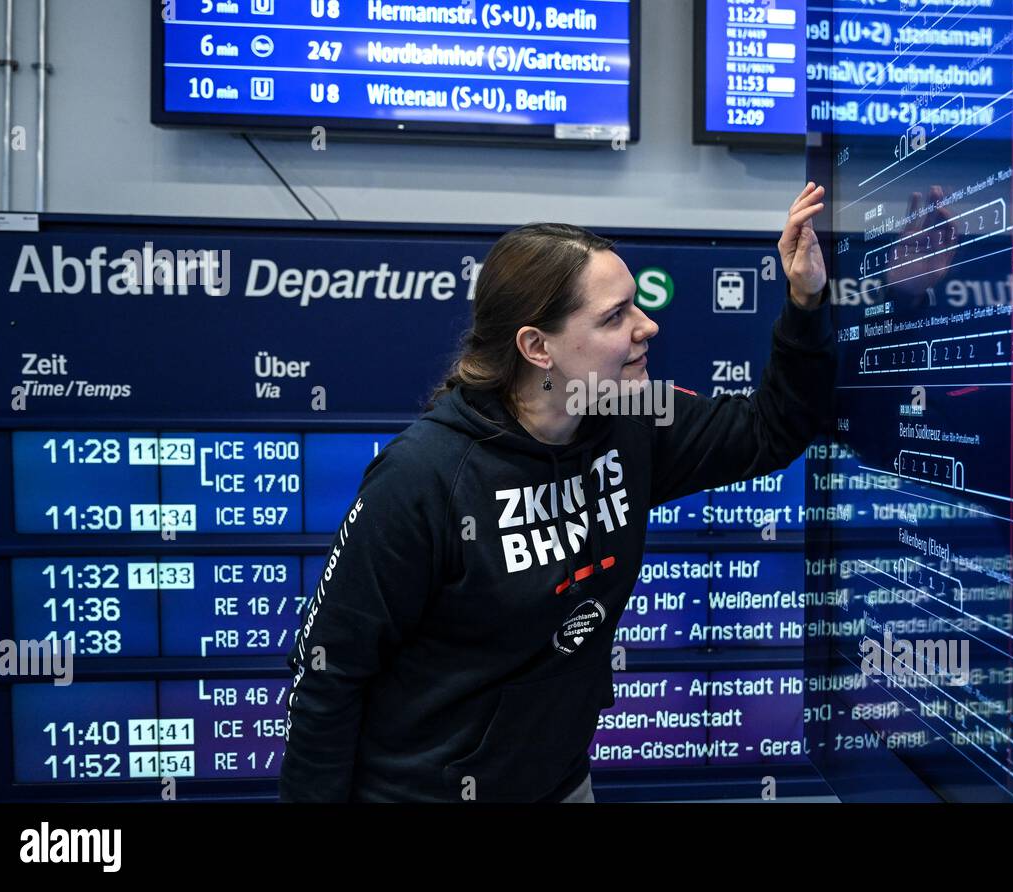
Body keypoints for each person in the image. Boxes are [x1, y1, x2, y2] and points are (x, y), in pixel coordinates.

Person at [279, 183, 836, 803]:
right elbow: (328, 677)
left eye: (637, 306)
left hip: (562, 784)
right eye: (614, 316)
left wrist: (805, 298)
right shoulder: (422, 478)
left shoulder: (633, 419)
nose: (646, 326)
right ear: (536, 347)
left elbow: (771, 429)